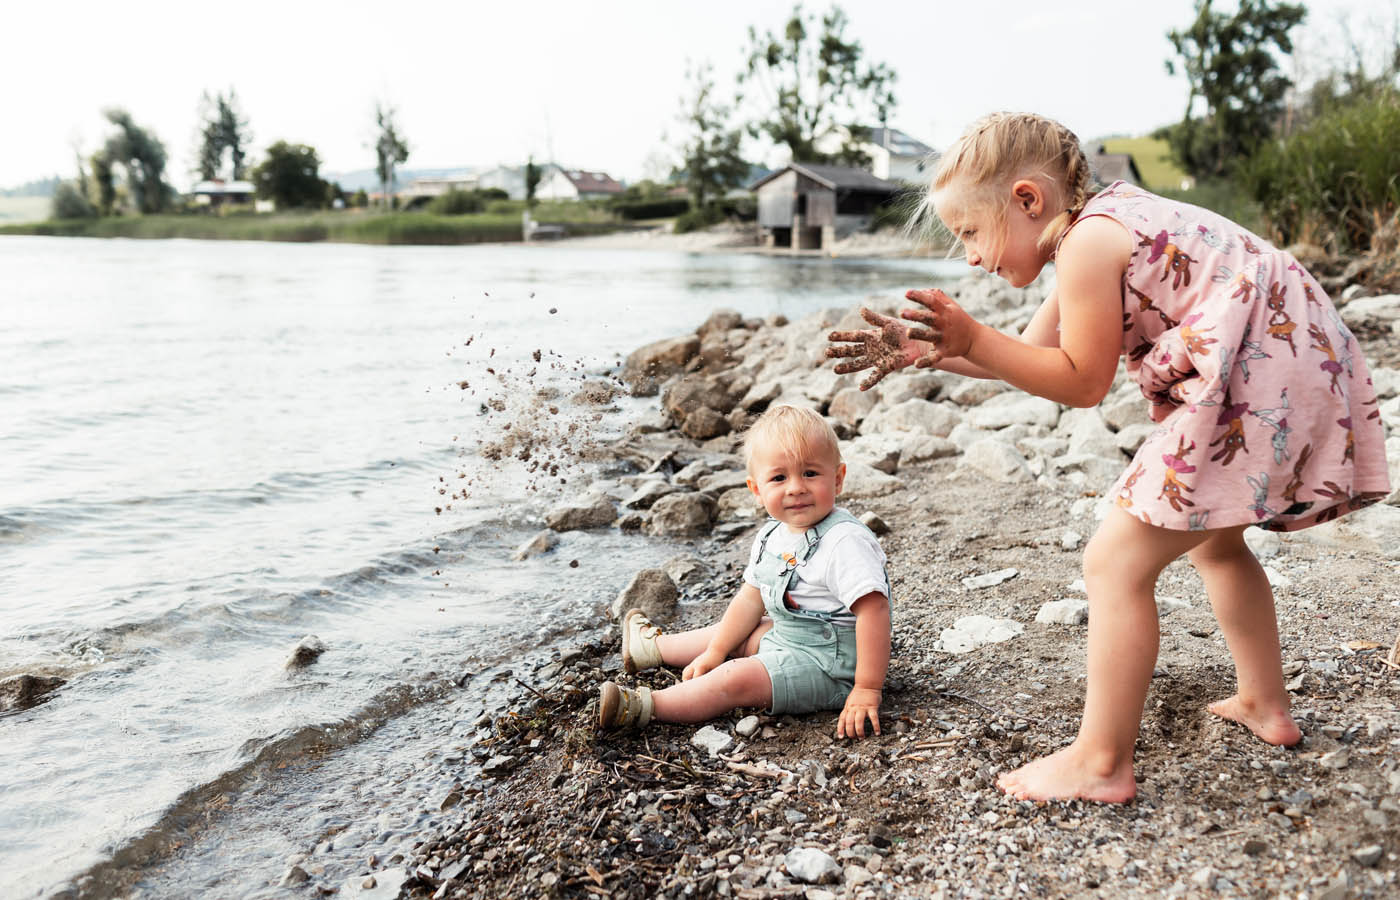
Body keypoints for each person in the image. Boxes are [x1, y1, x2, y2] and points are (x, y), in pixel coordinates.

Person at [826, 111, 1391, 802]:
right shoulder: (1100, 222)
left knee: (1113, 562)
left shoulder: (1089, 245)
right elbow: (1029, 358)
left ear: (1028, 200)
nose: (970, 256)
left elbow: (1082, 383)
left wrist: (974, 336)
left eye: (970, 232)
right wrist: (941, 350)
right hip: (1293, 358)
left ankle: (1101, 762)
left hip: (1258, 371)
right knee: (1214, 547)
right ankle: (1265, 703)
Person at [598, 405, 892, 739]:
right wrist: (715, 652)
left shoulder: (845, 542)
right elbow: (750, 600)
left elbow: (874, 612)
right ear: (756, 489)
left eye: (810, 473)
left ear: (837, 478)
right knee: (738, 631)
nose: (795, 487)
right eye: (779, 478)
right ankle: (652, 649)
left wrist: (867, 688)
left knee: (736, 677)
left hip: (834, 666)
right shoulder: (773, 534)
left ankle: (642, 706)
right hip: (792, 636)